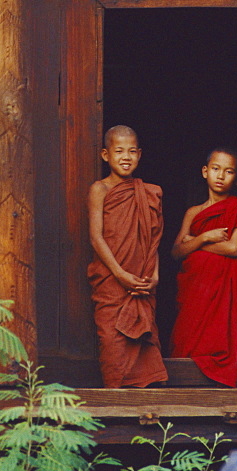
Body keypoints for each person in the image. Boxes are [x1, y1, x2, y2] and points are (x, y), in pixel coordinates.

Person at [87, 125, 168, 388]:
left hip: (142, 280)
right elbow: (96, 237)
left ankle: (145, 394)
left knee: (143, 337)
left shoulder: (149, 192)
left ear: (140, 154)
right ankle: (115, 394)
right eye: (119, 151)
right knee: (112, 337)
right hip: (112, 279)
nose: (126, 157)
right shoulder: (100, 189)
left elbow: (153, 239)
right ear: (105, 155)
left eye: (132, 151)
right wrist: (120, 274)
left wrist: (154, 275)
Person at [170, 148, 237, 386]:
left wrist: (196, 243)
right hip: (194, 289)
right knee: (186, 334)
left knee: (217, 337)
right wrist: (205, 237)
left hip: (219, 286)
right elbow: (177, 252)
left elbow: (233, 248)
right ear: (205, 172)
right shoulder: (193, 212)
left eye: (229, 171)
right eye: (215, 169)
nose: (221, 175)